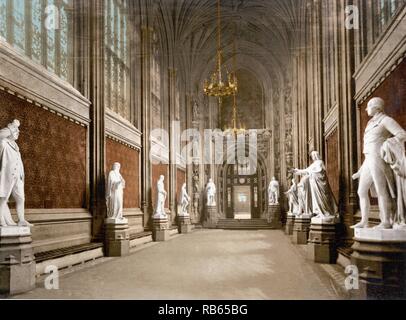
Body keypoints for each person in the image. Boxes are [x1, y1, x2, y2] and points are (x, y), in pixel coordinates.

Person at [352, 98, 406, 229]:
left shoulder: (386, 120)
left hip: (378, 158)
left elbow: (402, 134)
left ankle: (386, 221)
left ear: (376, 107)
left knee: (381, 189)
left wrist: (386, 145)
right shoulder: (370, 123)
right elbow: (369, 148)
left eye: (368, 106)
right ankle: (364, 221)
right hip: (369, 159)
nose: (366, 109)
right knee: (361, 191)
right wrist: (360, 170)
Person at [0, 120, 32, 227]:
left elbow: (19, 162)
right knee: (3, 198)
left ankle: (21, 219)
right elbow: (1, 135)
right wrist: (13, 126)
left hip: (17, 177)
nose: (18, 132)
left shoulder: (16, 146)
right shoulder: (3, 143)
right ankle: (1, 220)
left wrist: (22, 175)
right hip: (7, 176)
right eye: (16, 130)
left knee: (21, 198)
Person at [294, 151, 337, 219]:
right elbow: (306, 170)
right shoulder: (314, 164)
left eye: (313, 156)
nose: (313, 157)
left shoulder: (320, 162)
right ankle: (320, 212)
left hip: (320, 184)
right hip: (314, 184)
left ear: (316, 155)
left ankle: (324, 212)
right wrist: (297, 171)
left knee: (321, 198)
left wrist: (311, 173)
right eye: (312, 156)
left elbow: (321, 172)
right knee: (316, 198)